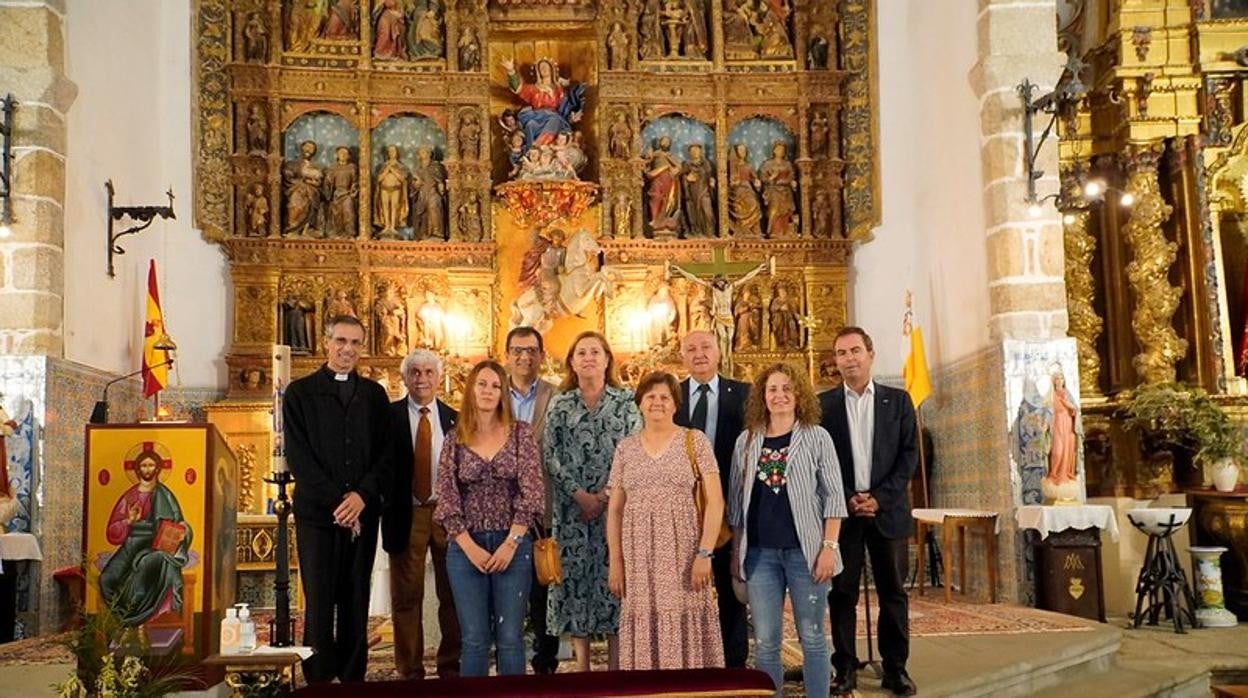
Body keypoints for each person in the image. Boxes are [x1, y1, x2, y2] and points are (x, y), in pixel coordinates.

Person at [728, 362, 845, 698]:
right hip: (760, 555)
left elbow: (834, 497)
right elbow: (737, 504)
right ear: (762, 396)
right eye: (772, 389)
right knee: (765, 641)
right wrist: (737, 553)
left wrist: (829, 548)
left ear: (799, 395)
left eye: (786, 389)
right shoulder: (747, 442)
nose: (779, 395)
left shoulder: (816, 437)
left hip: (805, 553)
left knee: (811, 636)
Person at [283, 315, 390, 683]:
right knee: (320, 599)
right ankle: (319, 678)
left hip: (363, 513)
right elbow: (300, 458)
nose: (348, 349)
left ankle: (352, 677)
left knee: (356, 598)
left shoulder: (375, 396)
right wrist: (338, 503)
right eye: (341, 341)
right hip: (318, 516)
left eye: (356, 343)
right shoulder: (300, 394)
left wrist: (360, 496)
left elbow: (385, 454)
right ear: (325, 343)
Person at [820, 326, 918, 696]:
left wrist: (880, 497)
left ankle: (895, 668)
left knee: (892, 593)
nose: (849, 359)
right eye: (842, 353)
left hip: (887, 511)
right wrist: (846, 496)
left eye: (855, 351)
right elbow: (821, 461)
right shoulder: (824, 406)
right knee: (842, 594)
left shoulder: (899, 401)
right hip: (842, 515)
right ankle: (843, 668)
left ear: (870, 354)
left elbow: (909, 455)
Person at [607, 371, 724, 670]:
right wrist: (616, 561)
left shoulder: (694, 441)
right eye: (650, 397)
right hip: (639, 559)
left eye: (664, 397)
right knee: (645, 618)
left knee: (683, 617)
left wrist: (704, 553)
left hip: (684, 555)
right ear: (640, 404)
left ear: (675, 405)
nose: (657, 402)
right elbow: (616, 510)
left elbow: (715, 501)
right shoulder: (626, 448)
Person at [435, 360, 545, 677]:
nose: (488, 391)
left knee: (511, 638)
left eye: (496, 385)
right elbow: (446, 494)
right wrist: (468, 546)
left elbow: (533, 490)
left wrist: (511, 543)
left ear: (503, 393)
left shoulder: (520, 434)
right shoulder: (455, 438)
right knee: (474, 639)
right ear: (471, 389)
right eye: (482, 384)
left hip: (513, 544)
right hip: (465, 547)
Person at [543, 331, 641, 671]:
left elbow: (635, 451)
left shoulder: (626, 402)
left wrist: (605, 496)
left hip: (616, 509)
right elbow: (550, 453)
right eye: (581, 352)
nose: (588, 357)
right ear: (571, 361)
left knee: (614, 580)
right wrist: (580, 495)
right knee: (575, 581)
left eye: (595, 352)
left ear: (607, 359)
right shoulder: (561, 402)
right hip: (571, 510)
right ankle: (583, 666)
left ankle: (615, 665)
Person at [672, 330, 751, 668]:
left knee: (730, 587)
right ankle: (692, 660)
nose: (699, 354)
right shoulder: (670, 396)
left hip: (730, 507)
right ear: (682, 356)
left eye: (705, 347)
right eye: (691, 349)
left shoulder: (745, 395)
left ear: (719, 351)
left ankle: (733, 664)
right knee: (685, 585)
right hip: (683, 509)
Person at [381, 349, 461, 680]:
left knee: (453, 595)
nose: (422, 378)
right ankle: (410, 672)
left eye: (429, 372)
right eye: (415, 372)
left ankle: (450, 667)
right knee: (406, 597)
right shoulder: (388, 416)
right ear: (404, 378)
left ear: (439, 378)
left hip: (447, 515)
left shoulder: (455, 418)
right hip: (406, 515)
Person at [504, 327, 562, 674]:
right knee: (509, 591)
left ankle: (545, 664)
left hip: (545, 508)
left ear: (541, 355)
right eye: (517, 350)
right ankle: (510, 665)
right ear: (507, 355)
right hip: (501, 509)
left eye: (531, 350)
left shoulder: (557, 396)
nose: (524, 357)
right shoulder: (491, 394)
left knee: (544, 590)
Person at [99, 447, 192, 627]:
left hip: (154, 545)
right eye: (144, 465)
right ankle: (122, 622)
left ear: (157, 469)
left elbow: (179, 523)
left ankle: (136, 624)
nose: (147, 469)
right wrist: (129, 520)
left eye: (151, 465)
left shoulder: (165, 495)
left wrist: (182, 529)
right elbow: (112, 531)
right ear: (137, 469)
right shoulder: (130, 496)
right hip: (131, 543)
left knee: (141, 576)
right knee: (107, 579)